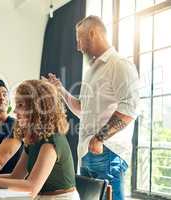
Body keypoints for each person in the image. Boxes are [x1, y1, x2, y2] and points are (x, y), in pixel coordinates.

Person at [43, 15, 139, 200]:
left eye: (79, 39)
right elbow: (82, 109)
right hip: (86, 152)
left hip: (108, 152)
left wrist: (99, 138)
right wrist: (61, 90)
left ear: (93, 33)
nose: (78, 47)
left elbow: (130, 108)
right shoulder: (91, 71)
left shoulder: (119, 65)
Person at [0, 80, 80, 200]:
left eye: (21, 105)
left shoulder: (51, 140)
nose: (15, 110)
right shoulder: (33, 138)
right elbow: (15, 176)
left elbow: (31, 188)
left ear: (37, 108)